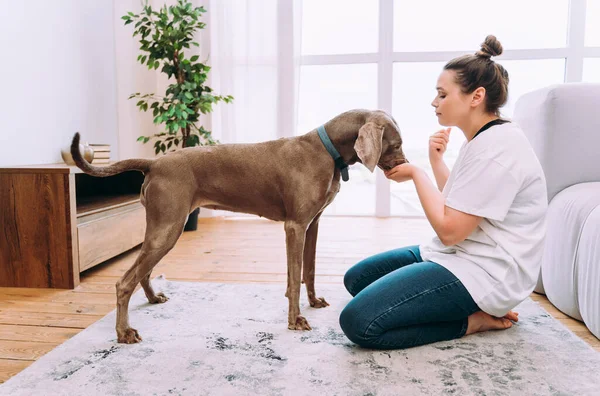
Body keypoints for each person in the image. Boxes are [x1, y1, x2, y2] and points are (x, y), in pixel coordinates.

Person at [339, 35, 548, 350]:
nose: (434, 102)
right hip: (462, 253)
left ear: (476, 96)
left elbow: (451, 230)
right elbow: (460, 203)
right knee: (357, 279)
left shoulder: (497, 149)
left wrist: (417, 173)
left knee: (359, 323)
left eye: (442, 94)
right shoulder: (483, 138)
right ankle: (451, 304)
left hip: (487, 272)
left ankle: (472, 321)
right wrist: (436, 161)